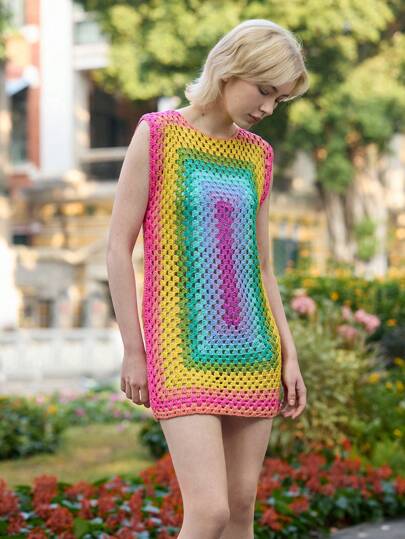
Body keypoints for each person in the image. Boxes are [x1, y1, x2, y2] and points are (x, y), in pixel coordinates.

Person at [107, 18, 309, 539]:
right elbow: (117, 248)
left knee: (241, 509)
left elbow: (262, 266)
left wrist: (289, 354)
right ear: (230, 68)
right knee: (211, 512)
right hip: (180, 349)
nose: (268, 108)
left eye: (280, 99)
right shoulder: (158, 134)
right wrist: (134, 349)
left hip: (253, 348)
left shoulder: (258, 155)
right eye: (264, 90)